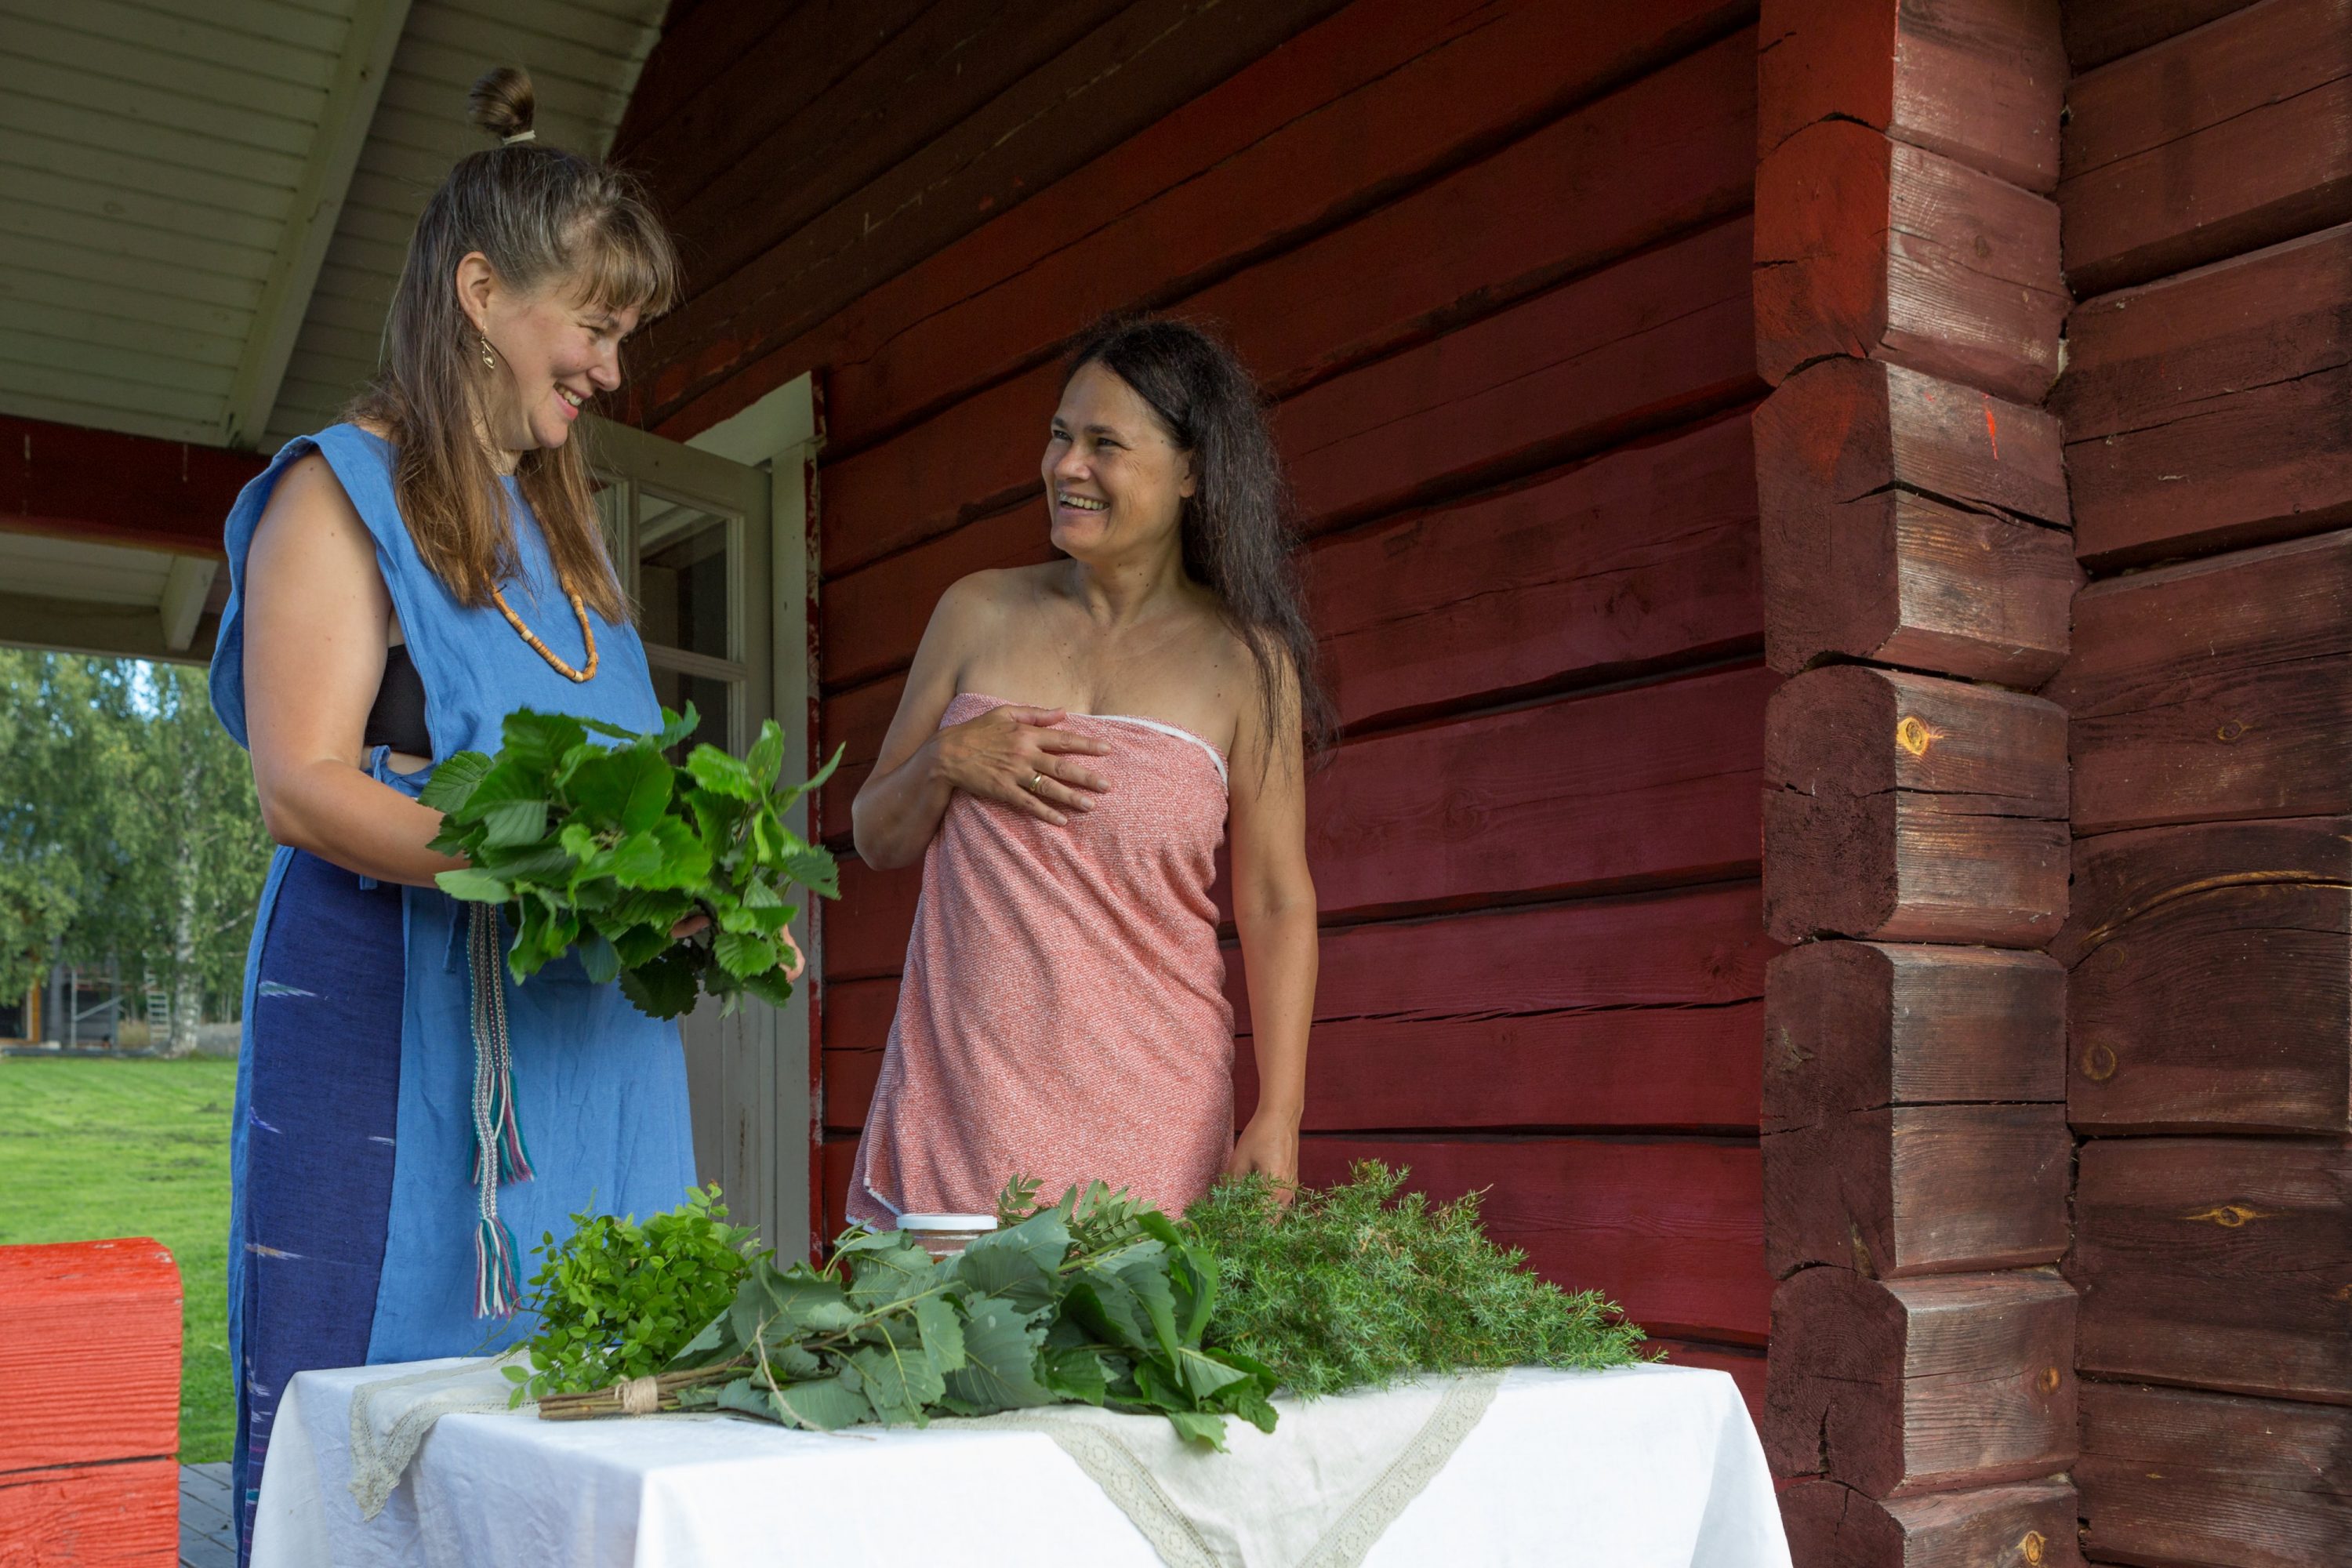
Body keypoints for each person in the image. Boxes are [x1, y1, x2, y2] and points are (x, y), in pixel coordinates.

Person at [206, 69, 764, 1560]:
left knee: (596, 1423)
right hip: (406, 1051)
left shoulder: (569, 547)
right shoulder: (340, 493)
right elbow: (303, 781)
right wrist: (554, 870)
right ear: (479, 291)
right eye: (593, 325)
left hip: (598, 1076)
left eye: (622, 335)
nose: (610, 371)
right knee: (391, 1427)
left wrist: (678, 879)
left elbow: (615, 800)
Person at [845, 315, 1327, 1227]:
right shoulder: (977, 611)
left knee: (1130, 1358)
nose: (1067, 465)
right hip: (967, 1105)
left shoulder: (1247, 664)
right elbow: (876, 832)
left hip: (1155, 1107)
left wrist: (1282, 1111)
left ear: (1191, 471)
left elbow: (1273, 898)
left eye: (1105, 444)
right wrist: (949, 758)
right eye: (1061, 436)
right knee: (946, 1361)